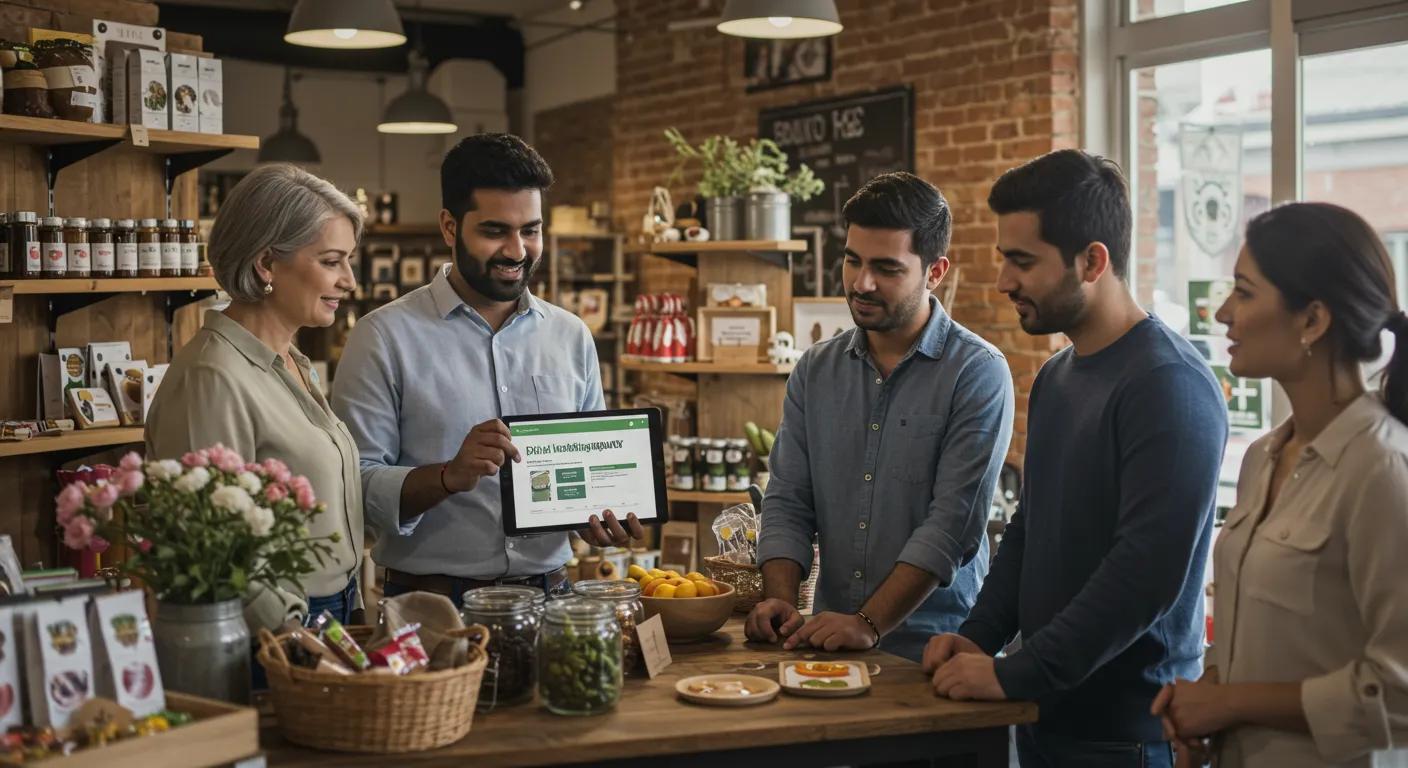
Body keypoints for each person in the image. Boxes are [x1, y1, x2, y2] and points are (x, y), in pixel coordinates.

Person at [921, 149, 1228, 767]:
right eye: (1004, 258)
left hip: (1126, 737)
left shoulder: (1169, 383)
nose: (1003, 281)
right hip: (1046, 717)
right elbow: (1031, 529)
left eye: (1022, 261)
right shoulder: (1057, 377)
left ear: (1092, 261)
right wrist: (978, 638)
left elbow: (1144, 576)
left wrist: (1016, 672)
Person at [331, 133, 641, 608]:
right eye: (496, 231)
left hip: (552, 601)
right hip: (432, 609)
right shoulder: (383, 336)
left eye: (531, 230)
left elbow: (588, 473)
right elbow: (353, 486)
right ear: (449, 227)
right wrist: (447, 476)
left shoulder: (571, 335)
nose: (517, 251)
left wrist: (599, 514)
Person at [1151, 202, 1408, 767]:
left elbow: (1400, 691)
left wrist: (1231, 704)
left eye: (1244, 293)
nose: (1223, 313)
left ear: (1312, 321)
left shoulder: (1382, 469)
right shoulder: (1262, 458)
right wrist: (1206, 705)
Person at [745, 172, 1014, 663]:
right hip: (826, 644)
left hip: (935, 654)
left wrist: (868, 623)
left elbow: (951, 525)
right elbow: (788, 499)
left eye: (887, 268)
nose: (861, 283)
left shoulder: (977, 372)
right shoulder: (815, 369)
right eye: (853, 261)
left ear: (935, 272)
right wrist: (781, 598)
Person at [146, 163, 365, 630]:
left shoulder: (292, 361)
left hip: (332, 613)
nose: (349, 280)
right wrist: (295, 635)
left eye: (348, 261)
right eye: (331, 262)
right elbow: (212, 547)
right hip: (276, 633)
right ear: (266, 264)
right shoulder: (211, 377)